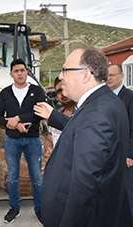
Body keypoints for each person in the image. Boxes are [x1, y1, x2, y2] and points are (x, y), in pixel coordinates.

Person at [37, 48, 131, 227]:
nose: (61, 77)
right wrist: (54, 116)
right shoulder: (102, 102)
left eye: (65, 70)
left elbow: (84, 187)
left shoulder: (97, 113)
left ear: (86, 75)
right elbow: (80, 131)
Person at [0, 58, 46, 223]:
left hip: (32, 140)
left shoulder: (37, 91)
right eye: (16, 71)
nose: (20, 73)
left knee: (37, 177)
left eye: (23, 70)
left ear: (27, 72)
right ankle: (14, 208)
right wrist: (13, 125)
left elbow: (40, 111)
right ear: (11, 74)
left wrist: (17, 118)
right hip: (12, 140)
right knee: (13, 177)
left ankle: (39, 209)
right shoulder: (5, 93)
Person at [107, 63, 133, 219]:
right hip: (108, 154)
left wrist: (130, 154)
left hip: (125, 156)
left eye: (112, 75)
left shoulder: (130, 97)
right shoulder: (104, 98)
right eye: (107, 75)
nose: (108, 78)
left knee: (128, 192)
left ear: (121, 76)